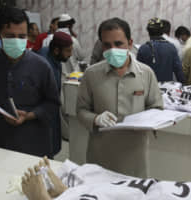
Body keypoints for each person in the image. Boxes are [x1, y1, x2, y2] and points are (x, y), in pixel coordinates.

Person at [77, 17, 163, 177]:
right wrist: (95, 119)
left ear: (130, 43)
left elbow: (157, 107)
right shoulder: (91, 74)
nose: (112, 49)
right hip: (100, 155)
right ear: (101, 45)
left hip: (134, 155)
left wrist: (148, 120)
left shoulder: (146, 73)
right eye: (107, 45)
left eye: (118, 44)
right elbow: (81, 110)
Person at [0, 7, 60, 157]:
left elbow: (53, 104)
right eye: (10, 36)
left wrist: (29, 115)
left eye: (21, 36)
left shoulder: (41, 66)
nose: (17, 41)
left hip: (33, 143)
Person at [38, 32, 73, 155]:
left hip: (52, 109)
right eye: (68, 51)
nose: (70, 54)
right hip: (43, 112)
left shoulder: (52, 54)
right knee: (46, 148)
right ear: (57, 50)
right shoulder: (45, 66)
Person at [137, 17, 185, 83]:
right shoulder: (171, 48)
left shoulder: (143, 49)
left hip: (149, 88)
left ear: (148, 32)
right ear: (162, 31)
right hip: (167, 90)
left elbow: (138, 72)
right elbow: (179, 72)